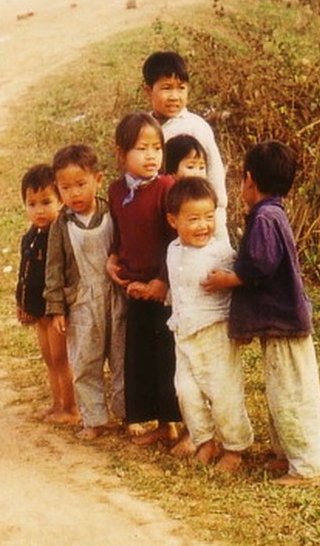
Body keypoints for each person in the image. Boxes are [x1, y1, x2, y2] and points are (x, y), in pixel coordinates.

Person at [203, 140, 320, 486]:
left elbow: (259, 266)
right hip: (280, 324)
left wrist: (227, 279)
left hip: (286, 324)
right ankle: (286, 453)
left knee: (293, 395)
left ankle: (307, 467)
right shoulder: (272, 213)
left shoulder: (266, 218)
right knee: (279, 392)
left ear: (248, 179)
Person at [164, 176, 254, 472]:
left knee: (224, 393)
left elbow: (240, 290)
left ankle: (234, 448)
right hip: (184, 332)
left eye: (208, 217)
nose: (203, 225)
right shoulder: (173, 250)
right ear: (173, 221)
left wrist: (242, 327)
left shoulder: (221, 252)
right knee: (186, 390)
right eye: (193, 219)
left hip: (216, 333)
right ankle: (204, 441)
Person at [105, 112, 183, 450]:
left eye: (157, 148)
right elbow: (120, 233)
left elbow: (175, 240)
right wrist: (112, 259)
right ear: (121, 154)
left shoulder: (167, 188)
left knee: (167, 358)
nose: (151, 156)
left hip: (163, 290)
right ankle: (154, 422)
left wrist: (162, 283)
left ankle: (174, 422)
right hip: (134, 289)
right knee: (141, 357)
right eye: (141, 149)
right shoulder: (117, 190)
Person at [43, 144, 125, 440]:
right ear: (57, 188)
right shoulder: (61, 225)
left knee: (121, 357)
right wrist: (56, 309)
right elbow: (53, 269)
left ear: (98, 180)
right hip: (81, 302)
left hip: (115, 297)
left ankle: (128, 414)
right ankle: (93, 418)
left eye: (81, 184)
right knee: (85, 360)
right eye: (66, 188)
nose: (74, 193)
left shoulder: (111, 213)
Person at [15, 164, 77, 425]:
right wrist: (22, 303)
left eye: (46, 202)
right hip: (37, 308)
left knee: (62, 358)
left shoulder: (60, 234)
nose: (39, 210)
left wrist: (59, 308)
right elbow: (25, 274)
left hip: (55, 309)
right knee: (49, 359)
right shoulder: (30, 236)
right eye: (32, 203)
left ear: (60, 202)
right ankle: (57, 404)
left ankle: (72, 408)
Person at [142, 51, 229, 238]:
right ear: (148, 91)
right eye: (166, 88)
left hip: (192, 219)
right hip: (156, 216)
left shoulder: (196, 127)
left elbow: (214, 173)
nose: (174, 96)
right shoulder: (144, 127)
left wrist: (218, 225)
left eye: (181, 88)